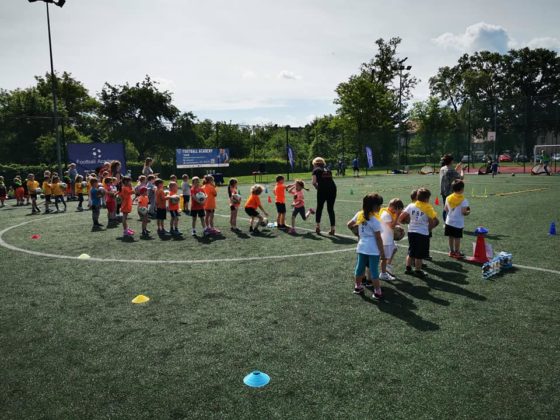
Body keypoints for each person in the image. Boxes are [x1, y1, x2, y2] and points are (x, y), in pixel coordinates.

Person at [346, 193, 385, 298]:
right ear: (374, 206)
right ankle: (377, 291)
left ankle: (357, 287)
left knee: (359, 268)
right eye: (379, 205)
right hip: (373, 248)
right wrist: (382, 252)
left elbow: (349, 224)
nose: (380, 207)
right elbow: (378, 238)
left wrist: (357, 231)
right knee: (373, 270)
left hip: (361, 246)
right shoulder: (375, 220)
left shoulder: (359, 214)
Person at [399, 188, 439, 277]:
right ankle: (418, 270)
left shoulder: (411, 205)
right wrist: (429, 229)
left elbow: (401, 217)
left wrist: (405, 222)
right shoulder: (428, 207)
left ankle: (408, 268)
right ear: (427, 198)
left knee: (411, 250)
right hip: (422, 233)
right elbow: (435, 221)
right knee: (419, 254)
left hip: (411, 232)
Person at [379, 198, 404, 281]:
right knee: (384, 258)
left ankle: (387, 267)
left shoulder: (389, 212)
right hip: (385, 239)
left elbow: (394, 223)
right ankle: (383, 274)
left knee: (394, 249)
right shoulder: (386, 214)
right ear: (394, 208)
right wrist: (397, 215)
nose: (399, 212)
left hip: (388, 238)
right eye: (398, 210)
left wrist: (399, 226)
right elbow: (392, 226)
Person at [444, 180, 470, 258]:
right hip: (458, 223)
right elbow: (464, 212)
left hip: (449, 221)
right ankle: (457, 252)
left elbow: (445, 209)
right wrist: (468, 212)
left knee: (450, 237)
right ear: (462, 189)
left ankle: (451, 251)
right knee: (457, 238)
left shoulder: (448, 197)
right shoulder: (464, 200)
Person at [311, 157, 337, 235]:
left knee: (319, 208)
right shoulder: (328, 169)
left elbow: (314, 182)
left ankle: (318, 227)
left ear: (315, 164)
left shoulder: (315, 170)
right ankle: (333, 229)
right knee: (330, 209)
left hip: (322, 190)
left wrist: (317, 188)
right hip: (332, 189)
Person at [439, 154, 464, 221]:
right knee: (452, 208)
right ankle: (449, 222)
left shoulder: (442, 168)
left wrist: (457, 167)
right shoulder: (451, 170)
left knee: (445, 208)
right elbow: (461, 177)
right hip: (450, 192)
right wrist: (462, 170)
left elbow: (450, 174)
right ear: (451, 161)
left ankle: (445, 222)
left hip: (443, 191)